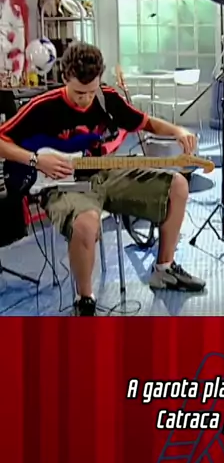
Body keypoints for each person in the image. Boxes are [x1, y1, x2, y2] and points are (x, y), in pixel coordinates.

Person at [0, 42, 206, 315]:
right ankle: (85, 300)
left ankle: (164, 269)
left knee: (177, 185)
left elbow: (145, 122)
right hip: (63, 184)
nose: (85, 99)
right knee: (86, 224)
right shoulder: (42, 107)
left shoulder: (106, 98)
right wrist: (36, 160)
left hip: (104, 173)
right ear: (65, 78)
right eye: (78, 93)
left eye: (91, 91)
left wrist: (178, 130)